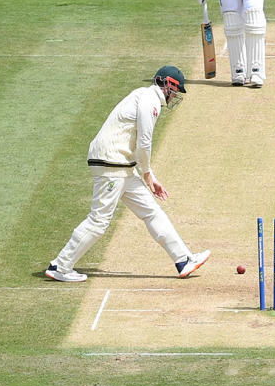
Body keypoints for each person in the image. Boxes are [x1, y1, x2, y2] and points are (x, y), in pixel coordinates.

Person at [45, 66, 211, 282]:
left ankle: (183, 259)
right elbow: (144, 142)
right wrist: (148, 174)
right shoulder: (150, 100)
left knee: (152, 211)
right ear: (168, 84)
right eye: (176, 90)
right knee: (99, 220)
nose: (175, 96)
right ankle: (61, 266)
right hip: (112, 164)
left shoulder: (145, 96)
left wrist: (148, 175)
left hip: (121, 166)